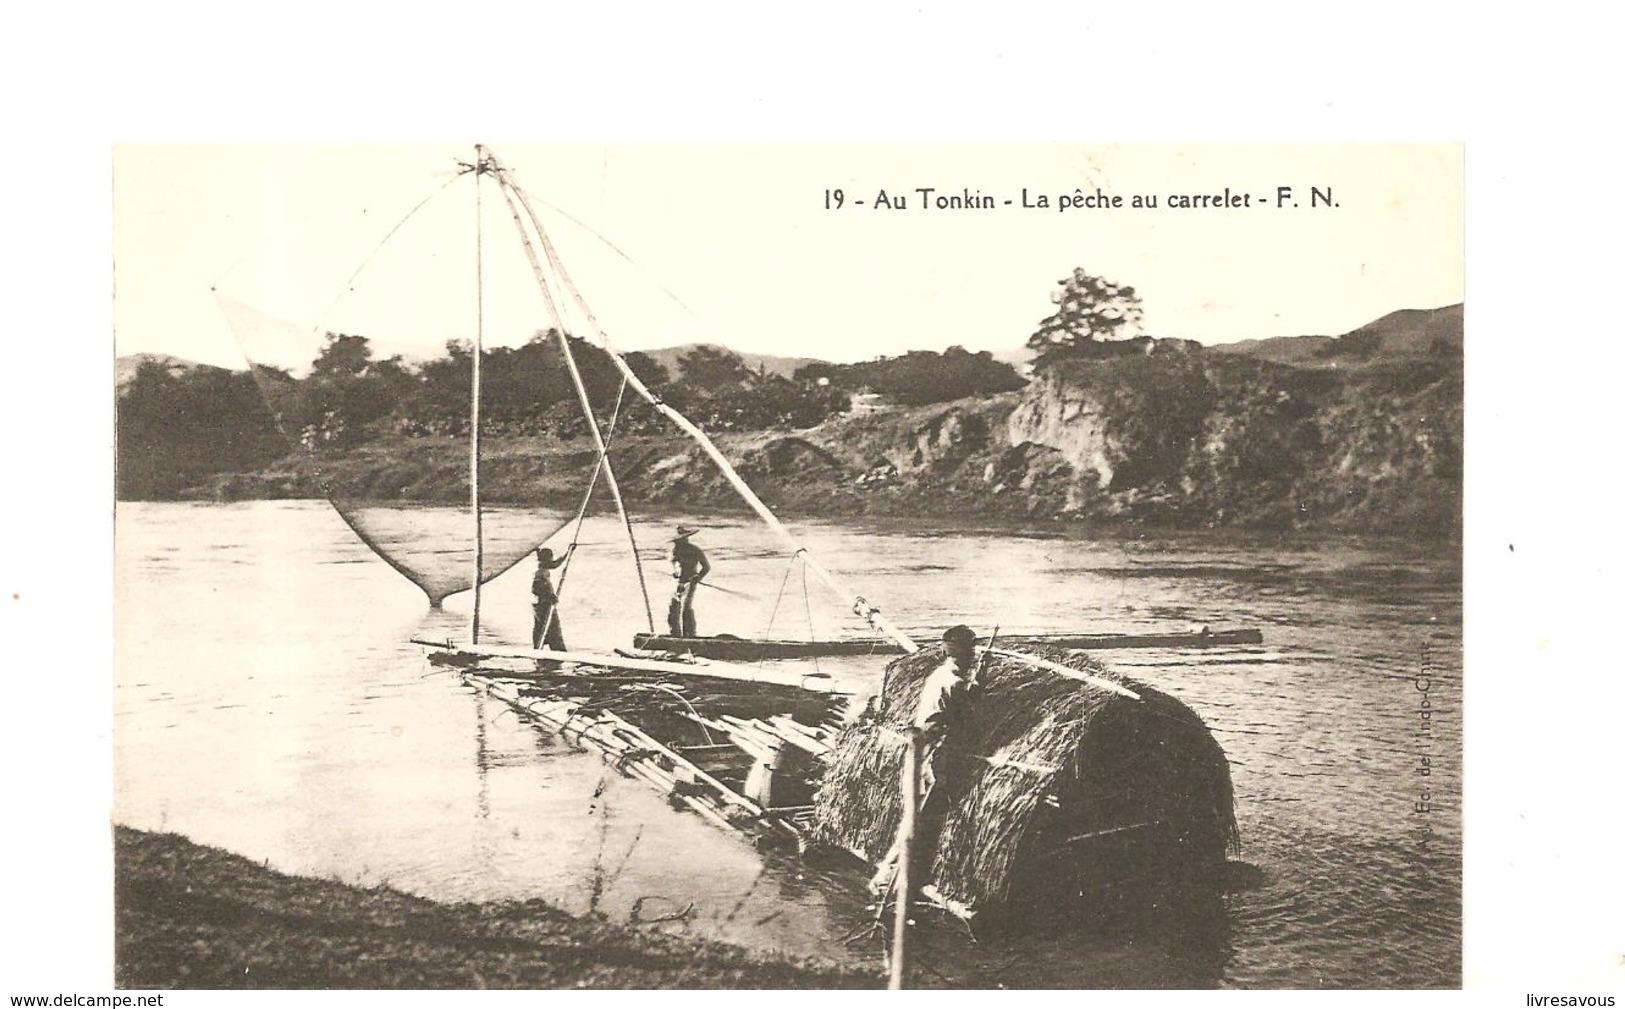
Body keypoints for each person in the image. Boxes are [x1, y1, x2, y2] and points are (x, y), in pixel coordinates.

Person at [870, 624, 982, 895]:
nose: (972, 656)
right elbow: (966, 718)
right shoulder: (952, 683)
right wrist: (977, 687)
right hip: (930, 755)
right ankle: (885, 880)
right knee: (916, 819)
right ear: (962, 653)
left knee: (917, 818)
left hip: (921, 749)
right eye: (969, 652)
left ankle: (897, 877)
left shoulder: (940, 674)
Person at [666, 525, 711, 637]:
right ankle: (675, 636)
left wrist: (698, 577)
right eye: (676, 541)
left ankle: (690, 635)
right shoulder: (674, 551)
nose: (677, 543)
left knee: (686, 608)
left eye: (680, 540)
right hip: (676, 583)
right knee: (673, 609)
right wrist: (673, 571)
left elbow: (706, 567)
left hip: (689, 582)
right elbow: (672, 564)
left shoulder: (695, 550)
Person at [531, 545, 572, 650]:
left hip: (543, 604)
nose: (552, 561)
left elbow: (554, 565)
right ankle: (555, 650)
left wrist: (568, 553)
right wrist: (550, 596)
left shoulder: (543, 569)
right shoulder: (540, 573)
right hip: (543, 605)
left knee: (542, 628)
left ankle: (540, 648)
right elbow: (535, 589)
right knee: (550, 628)